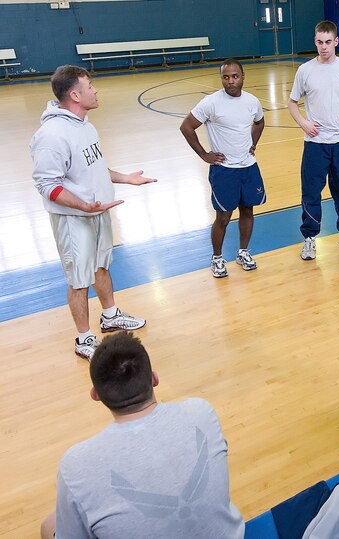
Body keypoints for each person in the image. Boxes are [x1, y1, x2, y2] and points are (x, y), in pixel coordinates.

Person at [40, 332, 244, 539]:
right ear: (154, 379)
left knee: (49, 525)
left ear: (96, 395)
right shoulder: (201, 412)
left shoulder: (75, 464)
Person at [30, 65, 154, 361]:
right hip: (73, 220)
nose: (95, 90)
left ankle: (110, 316)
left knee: (100, 266)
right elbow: (47, 184)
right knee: (79, 279)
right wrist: (84, 206)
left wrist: (125, 178)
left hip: (97, 213)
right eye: (90, 86)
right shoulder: (52, 135)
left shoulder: (84, 125)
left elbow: (94, 168)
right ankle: (84, 338)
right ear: (75, 94)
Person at [288, 20, 339, 260]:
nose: (324, 47)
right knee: (311, 191)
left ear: (336, 42)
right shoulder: (305, 70)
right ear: (315, 42)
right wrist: (304, 123)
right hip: (315, 144)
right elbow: (292, 103)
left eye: (328, 42)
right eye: (319, 42)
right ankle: (310, 238)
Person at [180, 59, 266, 278]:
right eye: (225, 77)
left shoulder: (252, 101)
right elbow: (186, 126)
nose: (230, 81)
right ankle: (217, 258)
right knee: (224, 217)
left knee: (248, 210)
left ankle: (243, 252)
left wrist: (252, 144)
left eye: (235, 76)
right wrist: (203, 154)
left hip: (248, 167)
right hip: (224, 170)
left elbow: (259, 122)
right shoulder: (211, 103)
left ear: (243, 76)